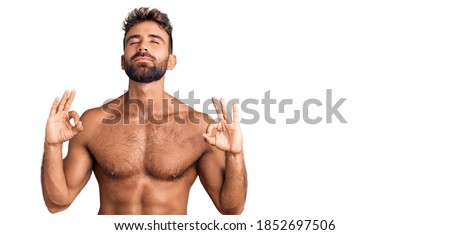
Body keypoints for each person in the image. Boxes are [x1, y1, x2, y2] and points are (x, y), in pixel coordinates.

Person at [41, 7, 247, 215]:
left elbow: (231, 208)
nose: (142, 47)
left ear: (171, 61)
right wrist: (53, 146)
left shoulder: (199, 127)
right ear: (123, 61)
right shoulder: (93, 123)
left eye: (155, 41)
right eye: (134, 41)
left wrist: (235, 155)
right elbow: (57, 203)